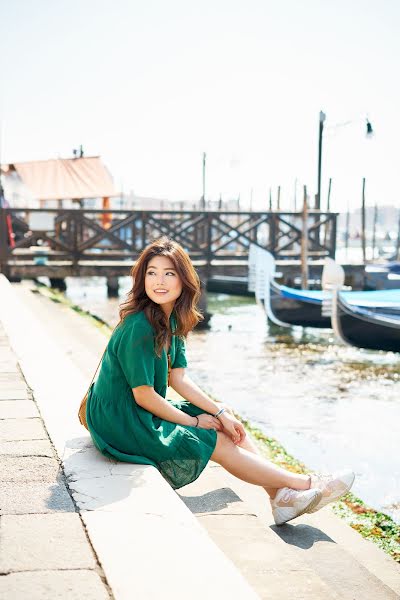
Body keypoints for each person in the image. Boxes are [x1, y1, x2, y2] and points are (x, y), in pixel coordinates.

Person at [86, 236, 355, 526]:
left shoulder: (171, 321)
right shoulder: (139, 326)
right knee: (213, 437)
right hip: (120, 419)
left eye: (169, 273)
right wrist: (195, 422)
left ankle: (280, 497)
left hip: (140, 411)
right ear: (142, 278)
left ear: (184, 280)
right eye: (151, 273)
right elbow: (144, 396)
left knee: (226, 422)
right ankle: (304, 483)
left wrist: (220, 413)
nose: (159, 281)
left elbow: (179, 379)